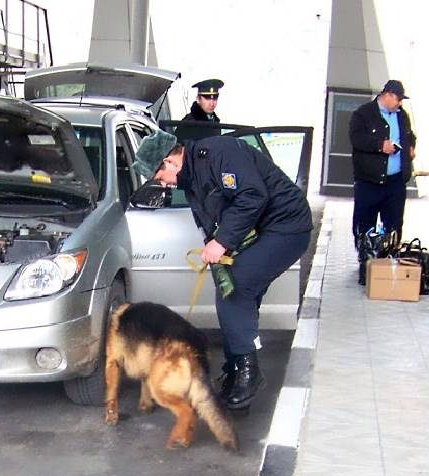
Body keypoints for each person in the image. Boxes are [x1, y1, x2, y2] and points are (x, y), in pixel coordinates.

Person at [131, 130, 312, 410]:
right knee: (228, 287)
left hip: (286, 226)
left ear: (169, 162)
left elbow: (252, 195)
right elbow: (209, 221)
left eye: (159, 177)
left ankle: (249, 374)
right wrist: (212, 247)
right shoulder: (191, 180)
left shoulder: (218, 153)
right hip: (259, 232)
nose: (163, 185)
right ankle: (237, 367)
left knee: (237, 286)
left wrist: (223, 241)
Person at [349, 80, 416, 247]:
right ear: (386, 95)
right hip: (369, 182)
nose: (399, 103)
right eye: (397, 99)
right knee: (365, 223)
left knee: (394, 224)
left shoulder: (402, 115)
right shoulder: (363, 114)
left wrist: (411, 147)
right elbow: (357, 140)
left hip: (396, 182)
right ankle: (366, 258)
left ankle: (389, 257)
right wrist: (380, 146)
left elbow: (409, 135)